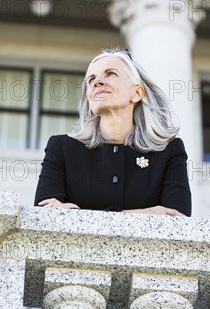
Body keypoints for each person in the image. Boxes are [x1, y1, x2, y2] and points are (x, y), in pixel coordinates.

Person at [34, 48, 191, 216]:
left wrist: (77, 213)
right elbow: (44, 215)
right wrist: (149, 213)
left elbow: (178, 219)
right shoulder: (62, 148)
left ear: (137, 93)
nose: (97, 83)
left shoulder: (170, 151)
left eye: (110, 74)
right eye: (91, 79)